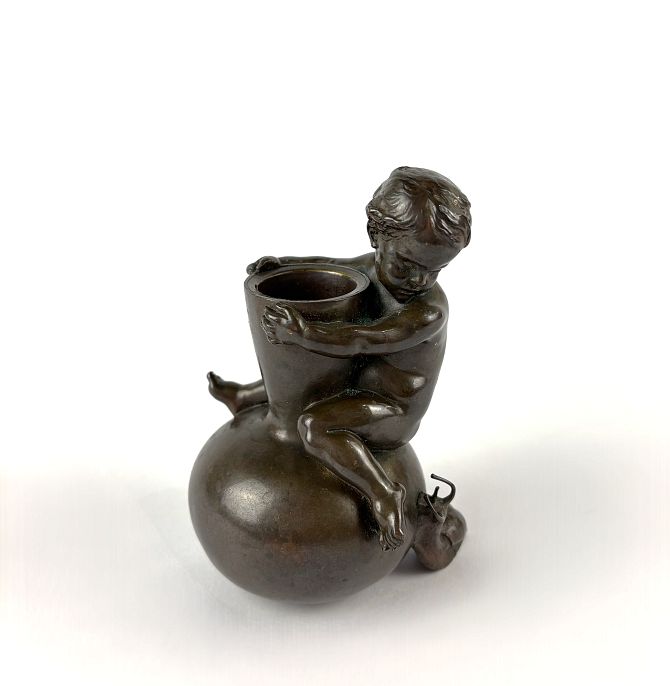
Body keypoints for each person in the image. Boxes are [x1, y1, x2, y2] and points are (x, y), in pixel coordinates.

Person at [209, 166, 471, 550]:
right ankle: (246, 397)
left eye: (434, 270)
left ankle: (383, 493)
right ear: (376, 237)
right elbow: (333, 266)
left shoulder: (426, 312)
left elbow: (362, 339)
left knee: (316, 424)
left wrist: (304, 334)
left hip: (392, 411)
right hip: (355, 384)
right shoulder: (371, 269)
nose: (418, 281)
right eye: (406, 265)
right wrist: (284, 265)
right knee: (309, 382)